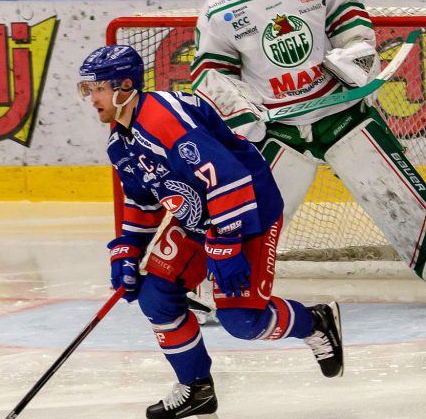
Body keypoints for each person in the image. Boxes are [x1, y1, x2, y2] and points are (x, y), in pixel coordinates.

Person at [192, 0, 426, 298]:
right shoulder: (218, 6)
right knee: (253, 208)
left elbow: (348, 17)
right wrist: (242, 109)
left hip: (339, 110)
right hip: (281, 128)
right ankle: (219, 289)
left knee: (389, 188)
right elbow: (211, 72)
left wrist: (357, 54)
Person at [78, 44, 344, 419]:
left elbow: (229, 179)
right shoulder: (119, 143)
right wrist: (126, 250)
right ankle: (197, 388)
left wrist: (226, 245)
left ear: (124, 86)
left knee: (243, 323)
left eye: (98, 89)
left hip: (248, 212)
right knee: (156, 298)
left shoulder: (163, 120)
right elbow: (142, 202)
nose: (92, 99)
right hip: (195, 220)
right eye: (87, 90)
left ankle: (314, 322)